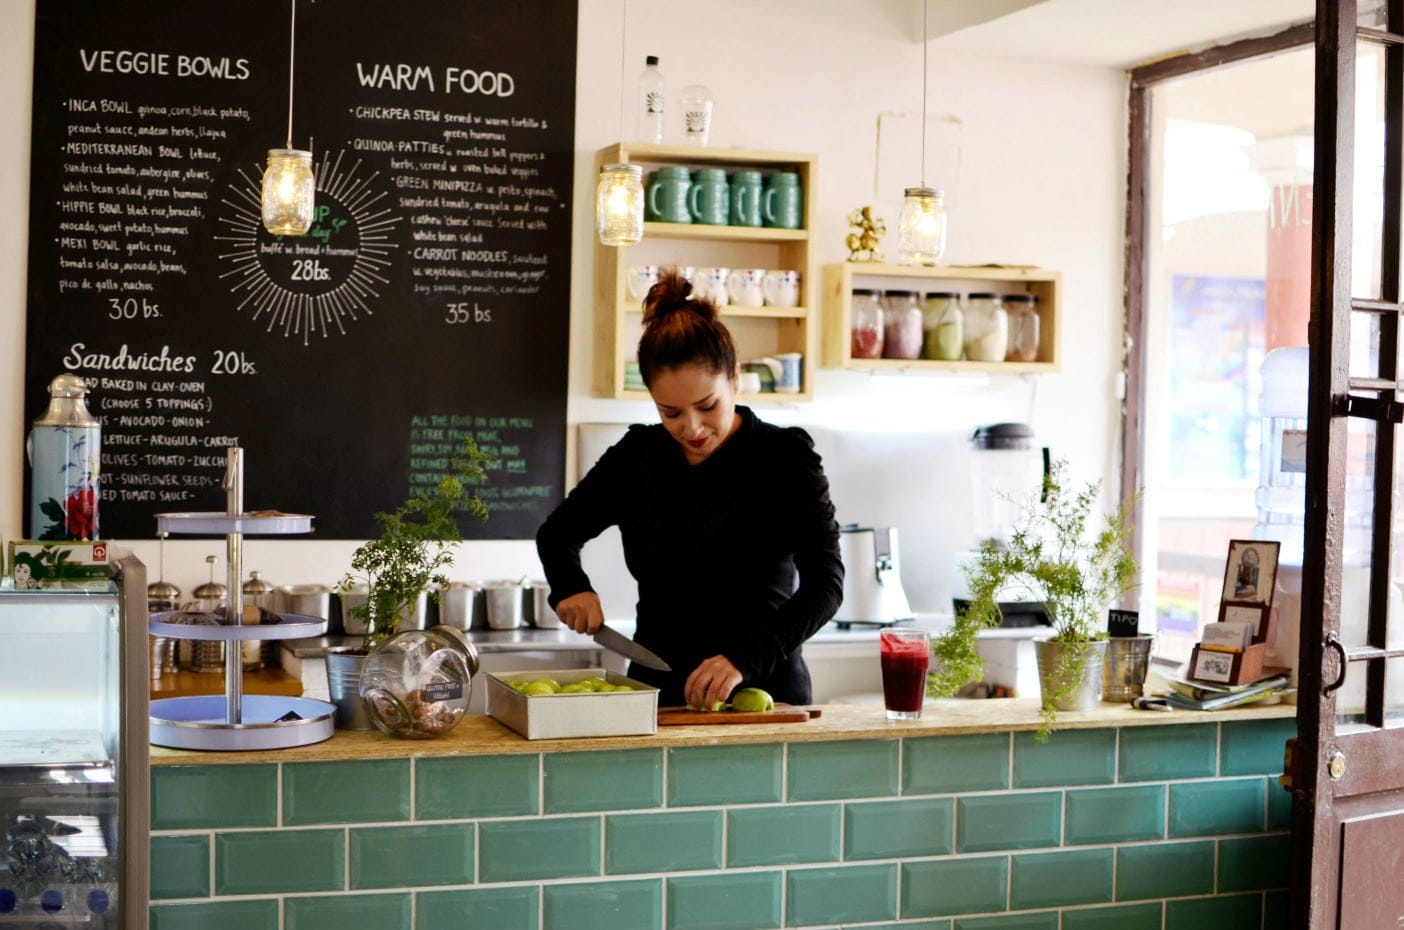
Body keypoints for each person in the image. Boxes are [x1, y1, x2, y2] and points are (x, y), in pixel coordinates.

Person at [536, 267, 844, 710]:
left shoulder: (784, 457)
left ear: (734, 378)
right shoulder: (636, 456)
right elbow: (557, 534)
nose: (692, 428)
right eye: (671, 413)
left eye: (707, 406)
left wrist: (744, 658)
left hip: (765, 693)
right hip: (657, 692)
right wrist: (570, 585)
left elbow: (826, 585)